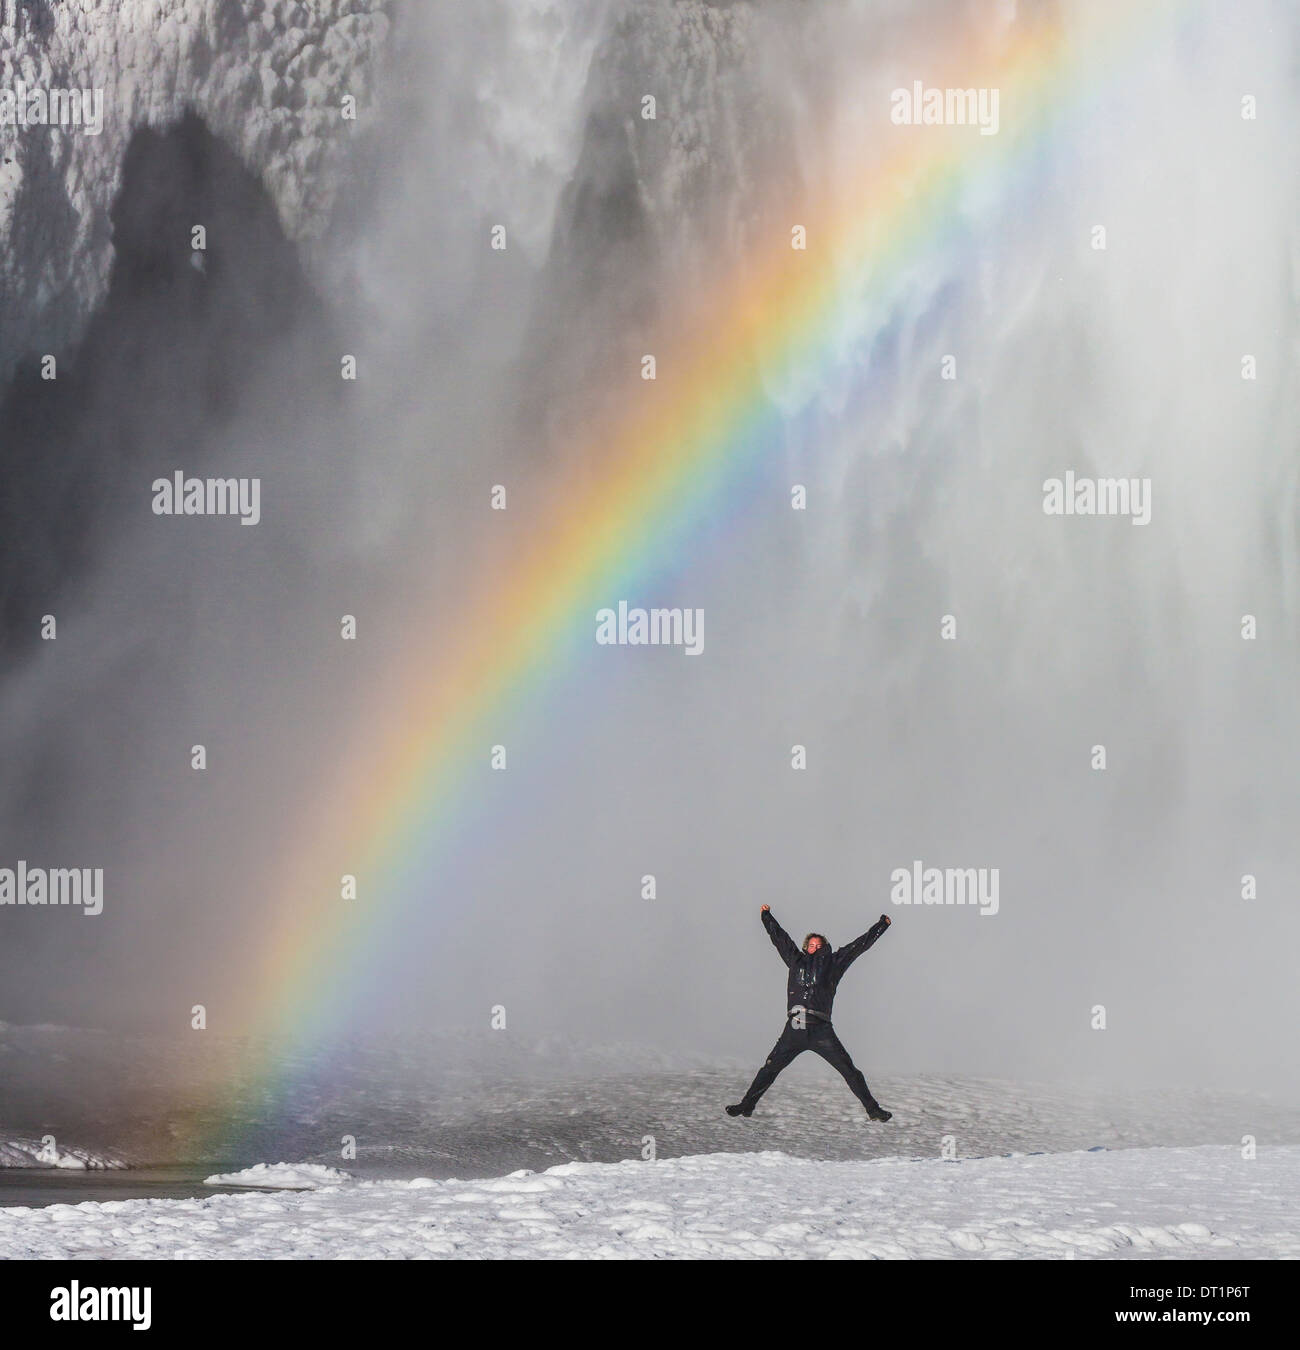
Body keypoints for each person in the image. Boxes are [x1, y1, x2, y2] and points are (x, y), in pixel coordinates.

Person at [727, 905, 893, 1121]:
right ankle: (746, 1105)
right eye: (811, 944)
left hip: (820, 1028)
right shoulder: (796, 961)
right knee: (770, 1068)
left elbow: (858, 946)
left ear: (825, 946)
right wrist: (766, 916)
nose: (815, 946)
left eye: (819, 944)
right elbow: (780, 939)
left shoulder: (834, 962)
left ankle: (873, 1110)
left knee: (849, 1071)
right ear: (806, 947)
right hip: (795, 1026)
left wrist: (882, 925)